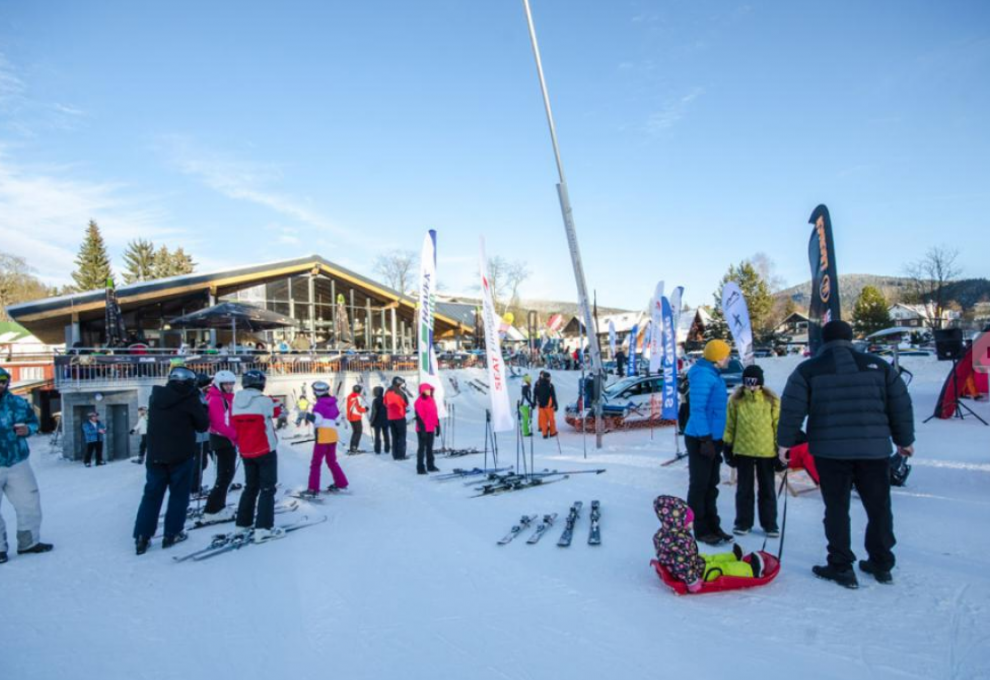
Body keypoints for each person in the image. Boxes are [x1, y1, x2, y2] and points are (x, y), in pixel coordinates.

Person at [777, 320, 914, 588]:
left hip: (830, 451)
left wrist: (784, 444)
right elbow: (900, 403)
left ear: (823, 341)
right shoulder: (878, 366)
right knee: (879, 507)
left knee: (837, 508)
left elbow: (791, 409)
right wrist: (904, 440)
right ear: (851, 338)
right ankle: (881, 562)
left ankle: (841, 566)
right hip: (873, 450)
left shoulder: (809, 369)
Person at [132, 367, 210, 554]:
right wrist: (202, 407)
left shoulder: (156, 397)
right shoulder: (190, 398)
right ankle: (172, 533)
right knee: (178, 495)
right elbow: (202, 425)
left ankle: (142, 536)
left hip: (156, 455)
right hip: (181, 455)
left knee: (151, 495)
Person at [652, 495, 764, 593]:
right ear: (677, 522)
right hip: (696, 573)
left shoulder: (664, 534)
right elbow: (682, 566)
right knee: (722, 568)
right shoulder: (679, 543)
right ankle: (751, 570)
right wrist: (692, 582)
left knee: (709, 558)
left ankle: (734, 556)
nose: (692, 524)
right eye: (689, 521)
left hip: (693, 563)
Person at [0, 366, 53, 564]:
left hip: (17, 460)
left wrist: (27, 429)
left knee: (29, 502)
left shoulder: (17, 403)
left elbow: (34, 422)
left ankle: (28, 542)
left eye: (2, 381)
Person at [684, 339, 732, 546]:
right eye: (727, 355)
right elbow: (698, 409)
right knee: (700, 485)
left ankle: (713, 524)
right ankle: (700, 528)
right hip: (699, 438)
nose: (729, 358)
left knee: (711, 484)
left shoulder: (712, 374)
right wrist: (705, 439)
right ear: (717, 357)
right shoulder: (703, 375)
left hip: (712, 438)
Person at [723, 365, 781, 537]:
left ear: (760, 383)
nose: (752, 387)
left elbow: (777, 424)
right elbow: (730, 424)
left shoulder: (771, 400)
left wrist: (782, 449)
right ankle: (743, 522)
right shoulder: (736, 400)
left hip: (766, 450)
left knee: (767, 489)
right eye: (748, 383)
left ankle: (770, 523)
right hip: (743, 449)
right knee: (744, 489)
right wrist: (728, 445)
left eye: (755, 383)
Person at [231, 370, 284, 542]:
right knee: (267, 488)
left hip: (246, 450)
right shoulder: (263, 401)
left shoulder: (235, 401)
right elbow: (277, 411)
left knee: (250, 487)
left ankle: (242, 523)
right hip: (265, 448)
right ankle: (263, 527)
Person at [201, 370, 239, 522]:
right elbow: (219, 424)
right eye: (226, 384)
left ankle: (218, 506)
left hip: (224, 439)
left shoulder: (223, 397)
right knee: (225, 475)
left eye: (231, 384)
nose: (229, 387)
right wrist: (236, 435)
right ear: (218, 384)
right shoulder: (217, 399)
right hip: (222, 440)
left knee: (225, 475)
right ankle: (212, 509)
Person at [304, 380, 348, 493]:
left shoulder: (319, 405)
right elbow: (338, 419)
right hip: (332, 436)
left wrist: (307, 415)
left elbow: (317, 421)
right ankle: (341, 483)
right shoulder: (333, 403)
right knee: (332, 461)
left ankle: (313, 489)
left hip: (322, 437)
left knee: (316, 463)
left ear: (316, 392)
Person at [414, 383, 441, 475]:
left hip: (430, 428)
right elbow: (420, 417)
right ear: (422, 391)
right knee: (422, 448)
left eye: (430, 389)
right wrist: (422, 430)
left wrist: (437, 425)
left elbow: (434, 414)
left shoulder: (431, 400)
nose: (429, 391)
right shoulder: (419, 402)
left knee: (429, 448)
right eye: (427, 390)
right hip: (423, 429)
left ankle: (430, 465)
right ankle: (420, 467)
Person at [384, 377, 409, 460]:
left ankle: (395, 455)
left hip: (390, 417)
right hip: (400, 416)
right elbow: (406, 403)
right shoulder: (400, 393)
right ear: (398, 383)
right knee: (402, 436)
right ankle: (401, 455)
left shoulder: (387, 391)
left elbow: (385, 403)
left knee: (394, 436)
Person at [533, 371, 558, 438]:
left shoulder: (537, 385)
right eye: (549, 377)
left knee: (543, 420)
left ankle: (544, 433)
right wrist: (556, 404)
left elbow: (535, 395)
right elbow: (553, 396)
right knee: (551, 419)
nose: (550, 378)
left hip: (541, 406)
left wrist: (534, 402)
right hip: (549, 405)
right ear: (547, 378)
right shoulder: (550, 386)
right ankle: (553, 432)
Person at [346, 385, 367, 453]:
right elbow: (358, 409)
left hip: (350, 416)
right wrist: (365, 409)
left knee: (355, 432)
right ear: (359, 390)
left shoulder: (350, 396)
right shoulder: (357, 397)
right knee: (358, 432)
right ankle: (354, 448)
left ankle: (352, 447)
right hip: (356, 416)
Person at [369, 386, 390, 455]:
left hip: (377, 421)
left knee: (377, 436)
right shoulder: (386, 399)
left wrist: (371, 421)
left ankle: (377, 449)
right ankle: (387, 448)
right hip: (386, 420)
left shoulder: (375, 400)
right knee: (386, 434)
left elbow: (374, 412)